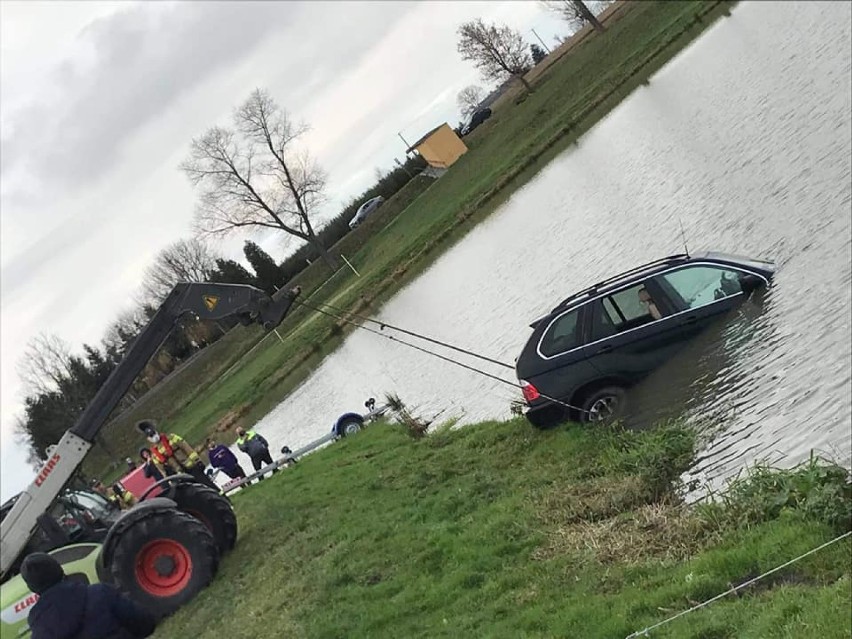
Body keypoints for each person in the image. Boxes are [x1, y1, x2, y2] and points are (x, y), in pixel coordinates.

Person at [21, 552, 157, 639]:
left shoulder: (40, 632)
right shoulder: (100, 593)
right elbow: (145, 623)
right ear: (60, 570)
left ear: (32, 588)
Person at [136, 419, 219, 491]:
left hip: (192, 467)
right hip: (180, 475)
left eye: (154, 433)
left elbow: (187, 448)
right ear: (148, 439)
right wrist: (170, 481)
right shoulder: (155, 455)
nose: (154, 436)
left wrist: (197, 461)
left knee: (208, 485)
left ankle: (225, 500)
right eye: (151, 436)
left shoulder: (171, 437)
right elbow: (162, 471)